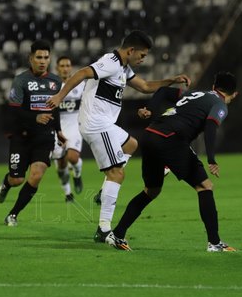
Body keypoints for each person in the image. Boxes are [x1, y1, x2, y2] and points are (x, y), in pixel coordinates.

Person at [46, 30, 190, 250]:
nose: (144, 59)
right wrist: (59, 96)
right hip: (97, 124)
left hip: (105, 124)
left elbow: (143, 87)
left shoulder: (123, 67)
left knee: (131, 144)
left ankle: (105, 191)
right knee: (117, 173)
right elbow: (83, 73)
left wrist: (171, 80)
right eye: (142, 55)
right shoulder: (111, 62)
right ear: (130, 50)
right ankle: (104, 228)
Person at [110, 72, 239, 252]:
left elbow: (163, 91)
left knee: (151, 190)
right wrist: (211, 158)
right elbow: (211, 125)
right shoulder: (219, 105)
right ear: (234, 94)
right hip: (170, 139)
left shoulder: (195, 93)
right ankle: (215, 243)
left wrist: (150, 108)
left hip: (149, 135)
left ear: (213, 87)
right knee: (205, 186)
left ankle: (117, 234)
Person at [0, 40, 66, 226]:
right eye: (39, 57)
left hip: (44, 137)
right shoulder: (21, 80)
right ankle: (6, 182)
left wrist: (58, 130)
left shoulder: (56, 82)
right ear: (30, 58)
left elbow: (55, 109)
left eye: (46, 57)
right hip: (22, 136)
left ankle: (13, 215)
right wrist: (35, 118)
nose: (43, 61)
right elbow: (13, 110)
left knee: (36, 175)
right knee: (17, 179)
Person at [51, 56, 86, 203]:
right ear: (57, 68)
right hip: (56, 129)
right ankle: (68, 193)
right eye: (62, 66)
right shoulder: (51, 86)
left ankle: (77, 175)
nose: (65, 68)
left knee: (73, 157)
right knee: (61, 164)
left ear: (71, 68)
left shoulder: (80, 85)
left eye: (67, 65)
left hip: (74, 127)